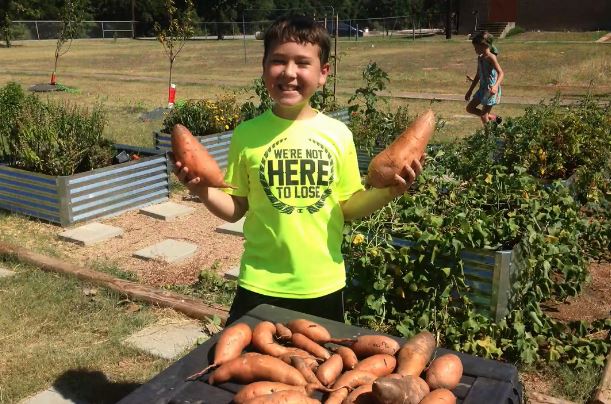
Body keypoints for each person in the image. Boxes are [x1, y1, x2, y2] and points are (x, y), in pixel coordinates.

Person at [173, 15, 424, 325]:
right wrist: (201, 190)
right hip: (260, 282)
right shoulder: (247, 135)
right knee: (248, 368)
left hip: (322, 283)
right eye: (278, 61)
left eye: (302, 63)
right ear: (264, 68)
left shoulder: (337, 134)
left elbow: (347, 206)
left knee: (319, 369)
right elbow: (236, 207)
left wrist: (389, 191)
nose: (289, 72)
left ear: (323, 74)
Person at [465, 31, 504, 125]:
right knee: (470, 108)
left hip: (490, 90)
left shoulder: (491, 57)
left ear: (484, 45)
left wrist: (495, 86)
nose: (475, 49)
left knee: (483, 116)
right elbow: (478, 74)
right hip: (482, 89)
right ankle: (493, 118)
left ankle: (489, 138)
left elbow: (501, 73)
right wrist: (470, 90)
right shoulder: (480, 57)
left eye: (476, 47)